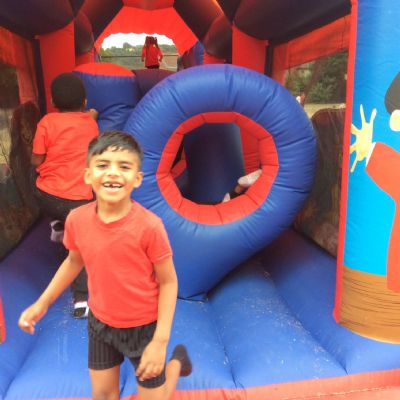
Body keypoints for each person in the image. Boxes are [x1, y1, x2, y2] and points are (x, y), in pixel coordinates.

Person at [19, 131, 192, 400]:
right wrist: (42, 303)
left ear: (137, 179)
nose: (113, 172)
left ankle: (177, 362)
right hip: (100, 323)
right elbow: (73, 261)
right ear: (88, 175)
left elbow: (169, 282)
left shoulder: (149, 227)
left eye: (124, 166)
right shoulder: (77, 219)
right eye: (103, 165)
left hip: (143, 327)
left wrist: (160, 341)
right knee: (102, 395)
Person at [31, 72, 99, 318]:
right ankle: (81, 301)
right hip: (79, 202)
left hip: (47, 198)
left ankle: (57, 223)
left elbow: (36, 159)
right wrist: (91, 116)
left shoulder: (46, 122)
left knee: (34, 176)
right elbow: (87, 125)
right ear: (84, 102)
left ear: (52, 101)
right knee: (80, 249)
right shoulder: (90, 124)